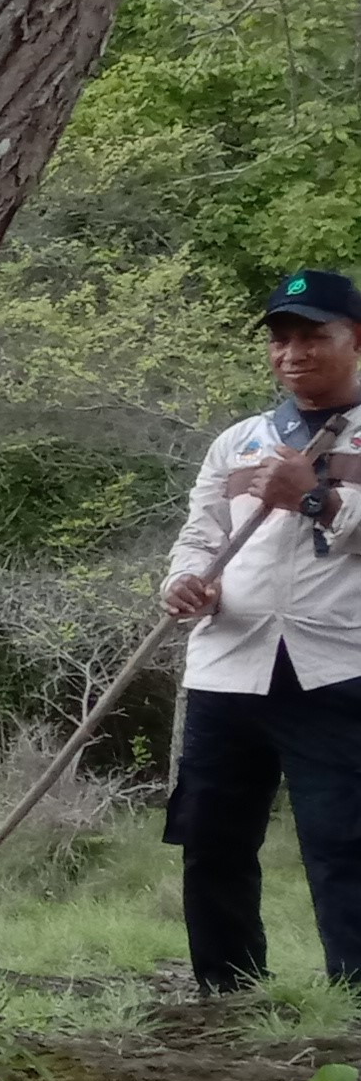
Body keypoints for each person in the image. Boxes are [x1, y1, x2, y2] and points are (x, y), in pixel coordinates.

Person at [160, 270, 361, 990]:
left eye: (313, 335)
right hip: (226, 665)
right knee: (211, 839)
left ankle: (351, 999)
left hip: (336, 667)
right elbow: (197, 534)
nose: (293, 353)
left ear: (354, 339)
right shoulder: (240, 441)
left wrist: (313, 497)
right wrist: (184, 581)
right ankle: (224, 990)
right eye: (280, 338)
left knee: (344, 841)